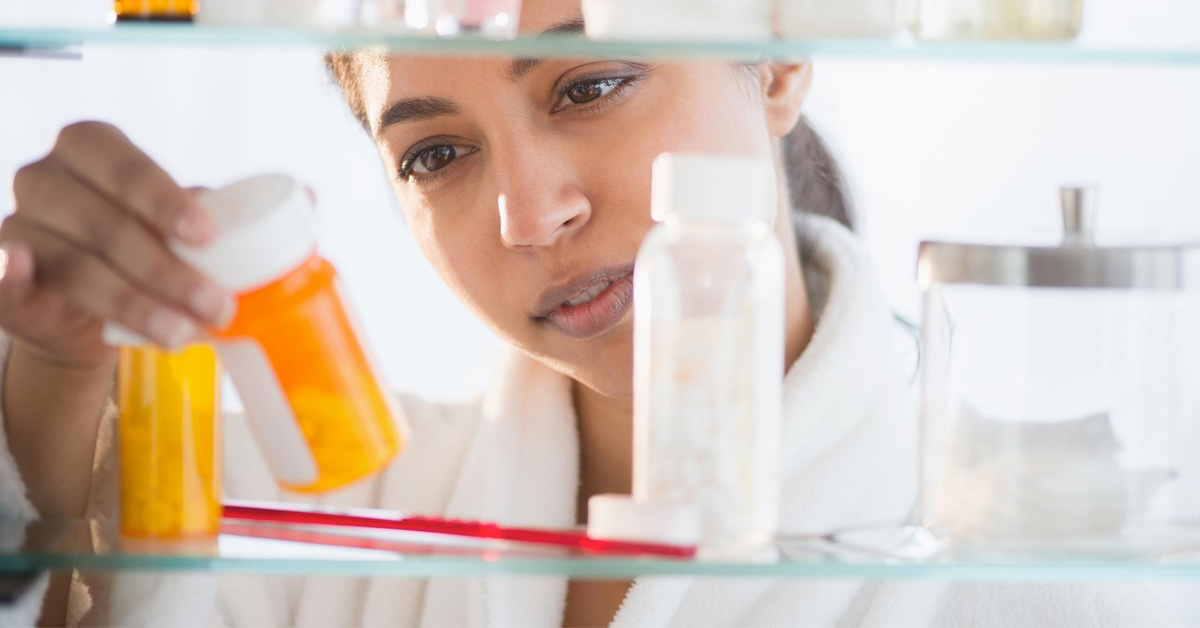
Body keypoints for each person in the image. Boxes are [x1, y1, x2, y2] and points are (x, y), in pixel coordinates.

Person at [0, 1, 1169, 626]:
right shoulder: (345, 517)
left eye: (591, 85)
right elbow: (94, 520)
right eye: (438, 153)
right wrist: (54, 350)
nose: (530, 211)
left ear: (774, 61)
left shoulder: (1039, 568)